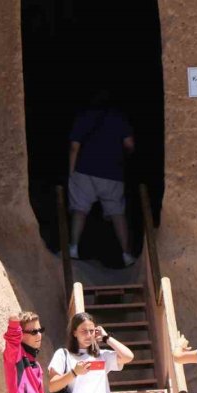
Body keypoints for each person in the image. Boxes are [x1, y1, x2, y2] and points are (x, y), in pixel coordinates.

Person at [67, 90, 137, 267]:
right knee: (117, 213)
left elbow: (74, 147)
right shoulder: (119, 118)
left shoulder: (84, 116)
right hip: (112, 173)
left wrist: (71, 172)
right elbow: (130, 144)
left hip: (85, 171)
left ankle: (73, 248)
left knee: (80, 210)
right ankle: (126, 254)